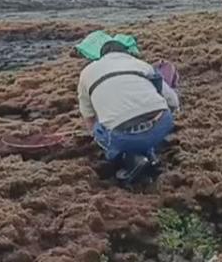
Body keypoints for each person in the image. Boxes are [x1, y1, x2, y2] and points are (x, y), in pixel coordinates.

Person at [77, 40, 179, 183]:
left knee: (100, 131)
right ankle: (149, 154)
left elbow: (89, 118)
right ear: (126, 53)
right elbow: (173, 102)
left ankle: (130, 160)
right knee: (151, 124)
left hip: (123, 138)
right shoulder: (142, 65)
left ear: (102, 56)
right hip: (160, 126)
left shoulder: (87, 72)